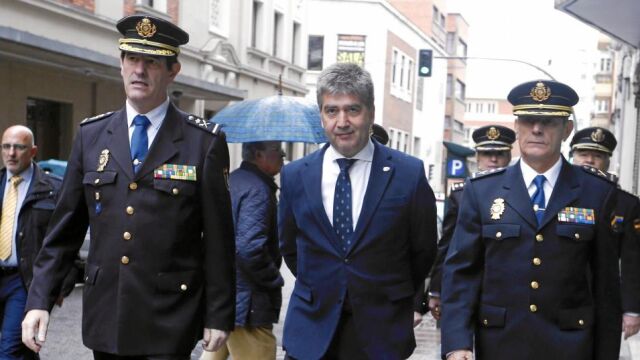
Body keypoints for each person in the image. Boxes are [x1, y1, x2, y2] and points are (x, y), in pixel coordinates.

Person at [21, 15, 235, 359]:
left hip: (170, 316)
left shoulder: (203, 143)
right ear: (120, 65)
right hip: (108, 314)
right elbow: (63, 232)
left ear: (172, 71)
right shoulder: (91, 136)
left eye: (152, 62)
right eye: (132, 59)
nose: (139, 70)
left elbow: (219, 240)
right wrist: (39, 300)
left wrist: (219, 313)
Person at [441, 80, 622, 360]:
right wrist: (457, 344)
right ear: (516, 126)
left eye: (548, 121)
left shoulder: (597, 193)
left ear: (567, 130)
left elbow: (607, 287)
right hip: (500, 344)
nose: (536, 129)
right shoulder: (481, 191)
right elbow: (462, 274)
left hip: (571, 347)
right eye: (528, 120)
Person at [278, 62, 438, 359]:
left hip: (381, 334)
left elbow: (423, 250)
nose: (342, 121)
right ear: (321, 115)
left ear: (371, 112)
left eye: (353, 110)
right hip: (312, 331)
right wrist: (326, 282)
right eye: (331, 110)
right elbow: (289, 246)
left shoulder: (408, 174)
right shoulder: (295, 175)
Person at [202, 141, 285, 360]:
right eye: (277, 150)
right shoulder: (258, 189)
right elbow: (249, 249)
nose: (283, 154)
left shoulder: (234, 180)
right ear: (258, 155)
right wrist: (273, 278)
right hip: (249, 303)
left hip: (226, 297)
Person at [425, 125, 515, 321]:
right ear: (477, 157)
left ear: (509, 156)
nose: (493, 159)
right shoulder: (462, 194)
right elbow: (448, 245)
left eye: (499, 154)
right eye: (487, 154)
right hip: (468, 282)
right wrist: (436, 290)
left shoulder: (522, 193)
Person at [0, 125, 65, 360]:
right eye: (6, 147)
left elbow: (66, 239)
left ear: (33, 151)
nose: (11, 153)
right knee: (23, 350)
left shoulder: (53, 189)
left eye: (19, 147)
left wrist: (59, 286)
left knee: (9, 350)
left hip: (25, 281)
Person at [570, 126, 640, 339]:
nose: (589, 160)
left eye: (598, 156)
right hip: (560, 300)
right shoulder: (555, 197)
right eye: (583, 154)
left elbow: (632, 260)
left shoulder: (627, 205)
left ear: (608, 161)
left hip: (604, 302)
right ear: (572, 156)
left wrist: (632, 310)